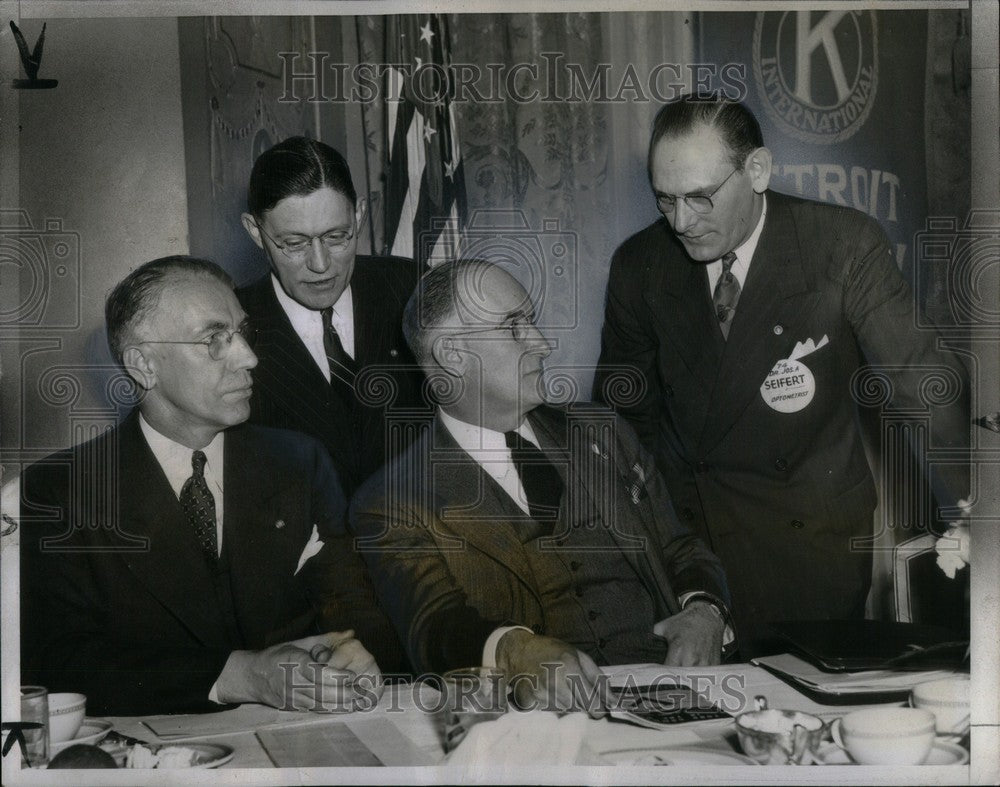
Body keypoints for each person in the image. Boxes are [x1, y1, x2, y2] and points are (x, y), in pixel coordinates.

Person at [593, 96, 970, 656]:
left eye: (701, 196)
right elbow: (622, 428)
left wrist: (975, 505)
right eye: (665, 199)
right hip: (690, 552)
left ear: (758, 171)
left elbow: (923, 383)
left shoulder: (842, 244)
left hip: (809, 549)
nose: (682, 222)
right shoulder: (639, 265)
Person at [20, 256, 403, 716]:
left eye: (242, 333)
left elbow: (352, 608)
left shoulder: (298, 462)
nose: (249, 357)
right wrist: (239, 675)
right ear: (143, 365)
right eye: (214, 339)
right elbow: (54, 666)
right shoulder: (61, 491)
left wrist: (352, 650)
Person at [351, 260, 733, 713]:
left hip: (679, 692)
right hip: (536, 725)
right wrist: (516, 651)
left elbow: (679, 547)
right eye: (514, 328)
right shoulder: (393, 501)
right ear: (452, 353)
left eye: (530, 321)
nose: (543, 343)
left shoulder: (603, 432)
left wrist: (704, 610)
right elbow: (434, 626)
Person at [238, 137, 424, 497]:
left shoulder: (411, 288)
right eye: (294, 243)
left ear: (359, 215)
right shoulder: (233, 325)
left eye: (337, 237)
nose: (320, 265)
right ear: (254, 232)